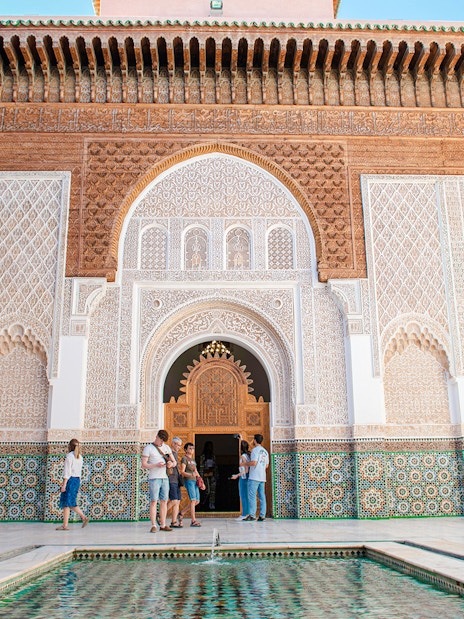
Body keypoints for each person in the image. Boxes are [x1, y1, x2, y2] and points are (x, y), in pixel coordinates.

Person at [141, 429, 176, 533]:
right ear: (157, 437)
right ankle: (153, 525)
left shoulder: (166, 448)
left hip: (164, 478)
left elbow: (174, 462)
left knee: (164, 501)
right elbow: (144, 464)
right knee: (153, 501)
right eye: (161, 440)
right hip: (154, 478)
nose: (161, 443)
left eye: (163, 441)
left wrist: (170, 464)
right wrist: (155, 465)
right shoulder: (149, 448)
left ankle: (163, 524)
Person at [56, 438, 89, 530]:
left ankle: (83, 517)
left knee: (69, 502)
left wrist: (64, 484)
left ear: (70, 446)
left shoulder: (69, 456)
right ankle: (65, 525)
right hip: (77, 480)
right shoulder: (80, 457)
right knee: (67, 503)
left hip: (70, 480)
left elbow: (67, 472)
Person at [243, 434, 269, 522]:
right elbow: (266, 465)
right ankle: (262, 515)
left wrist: (245, 464)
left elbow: (254, 463)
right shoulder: (265, 451)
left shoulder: (255, 450)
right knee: (262, 495)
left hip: (254, 476)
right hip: (262, 477)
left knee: (252, 496)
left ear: (254, 440)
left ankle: (252, 515)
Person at [179, 442, 202, 527]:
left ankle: (182, 512)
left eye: (193, 448)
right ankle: (193, 520)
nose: (191, 450)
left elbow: (195, 471)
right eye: (190, 448)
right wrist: (191, 475)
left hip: (195, 481)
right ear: (185, 450)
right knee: (193, 500)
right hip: (189, 481)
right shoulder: (184, 459)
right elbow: (182, 471)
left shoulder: (192, 460)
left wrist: (200, 480)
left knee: (197, 501)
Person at [231, 437, 251, 521]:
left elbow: (246, 470)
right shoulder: (248, 455)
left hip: (244, 478)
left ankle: (244, 514)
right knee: (246, 496)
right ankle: (247, 513)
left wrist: (237, 475)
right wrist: (241, 438)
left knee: (243, 496)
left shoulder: (243, 457)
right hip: (247, 478)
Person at [166, 436, 184, 528]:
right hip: (171, 479)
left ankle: (174, 522)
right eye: (178, 445)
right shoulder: (169, 454)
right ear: (173, 444)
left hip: (176, 480)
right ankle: (160, 515)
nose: (179, 447)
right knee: (173, 500)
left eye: (180, 446)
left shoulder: (175, 454)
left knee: (177, 501)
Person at [199, 440, 218, 510]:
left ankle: (211, 503)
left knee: (213, 491)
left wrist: (216, 474)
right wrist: (200, 477)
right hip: (205, 475)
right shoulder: (203, 456)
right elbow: (201, 467)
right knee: (207, 490)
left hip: (212, 475)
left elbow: (215, 466)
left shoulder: (213, 456)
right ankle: (203, 502)